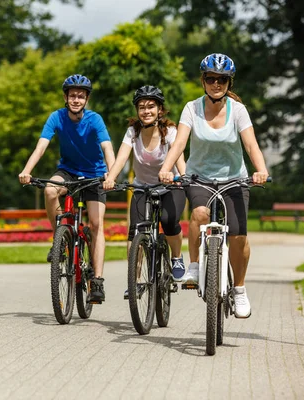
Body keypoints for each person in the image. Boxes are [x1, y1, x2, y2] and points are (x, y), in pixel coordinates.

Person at [158, 53, 269, 318]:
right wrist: (166, 168)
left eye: (221, 79)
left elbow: (251, 144)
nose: (216, 84)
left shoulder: (238, 110)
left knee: (239, 236)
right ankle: (195, 267)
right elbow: (180, 143)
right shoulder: (191, 108)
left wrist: (261, 170)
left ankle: (239, 290)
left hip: (234, 179)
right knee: (199, 214)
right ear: (203, 81)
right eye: (211, 79)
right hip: (200, 178)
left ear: (229, 82)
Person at [19, 74, 115, 303]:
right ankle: (59, 239)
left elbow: (107, 148)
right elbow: (41, 146)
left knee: (95, 224)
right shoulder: (56, 117)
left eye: (81, 96)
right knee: (50, 191)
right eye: (72, 95)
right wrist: (26, 170)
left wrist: (111, 175)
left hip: (95, 174)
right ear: (65, 97)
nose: (76, 100)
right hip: (68, 171)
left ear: (86, 99)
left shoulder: (95, 120)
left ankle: (98, 280)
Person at [103, 85, 187, 284]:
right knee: (136, 231)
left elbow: (178, 157)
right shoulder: (133, 132)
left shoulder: (170, 132)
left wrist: (183, 177)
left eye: (151, 106)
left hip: (171, 186)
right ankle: (134, 280)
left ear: (160, 109)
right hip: (142, 187)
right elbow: (122, 157)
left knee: (168, 221)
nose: (146, 111)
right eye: (141, 107)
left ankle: (176, 258)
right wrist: (111, 178)